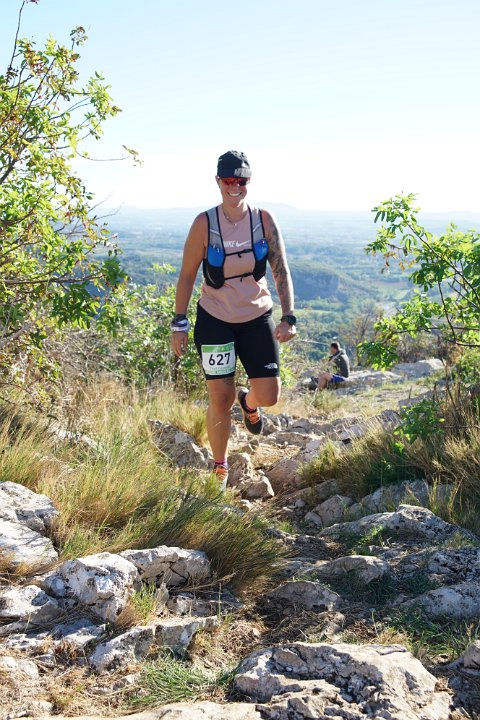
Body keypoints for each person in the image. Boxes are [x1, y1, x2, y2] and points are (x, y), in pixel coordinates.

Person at [171, 150, 296, 489]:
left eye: (241, 180)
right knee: (220, 397)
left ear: (248, 182)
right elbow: (187, 275)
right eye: (228, 180)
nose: (235, 186)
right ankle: (220, 466)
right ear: (218, 182)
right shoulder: (204, 223)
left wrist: (288, 316)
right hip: (215, 319)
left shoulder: (263, 220)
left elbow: (280, 269)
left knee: (269, 395)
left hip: (256, 315)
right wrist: (179, 322)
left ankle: (249, 402)